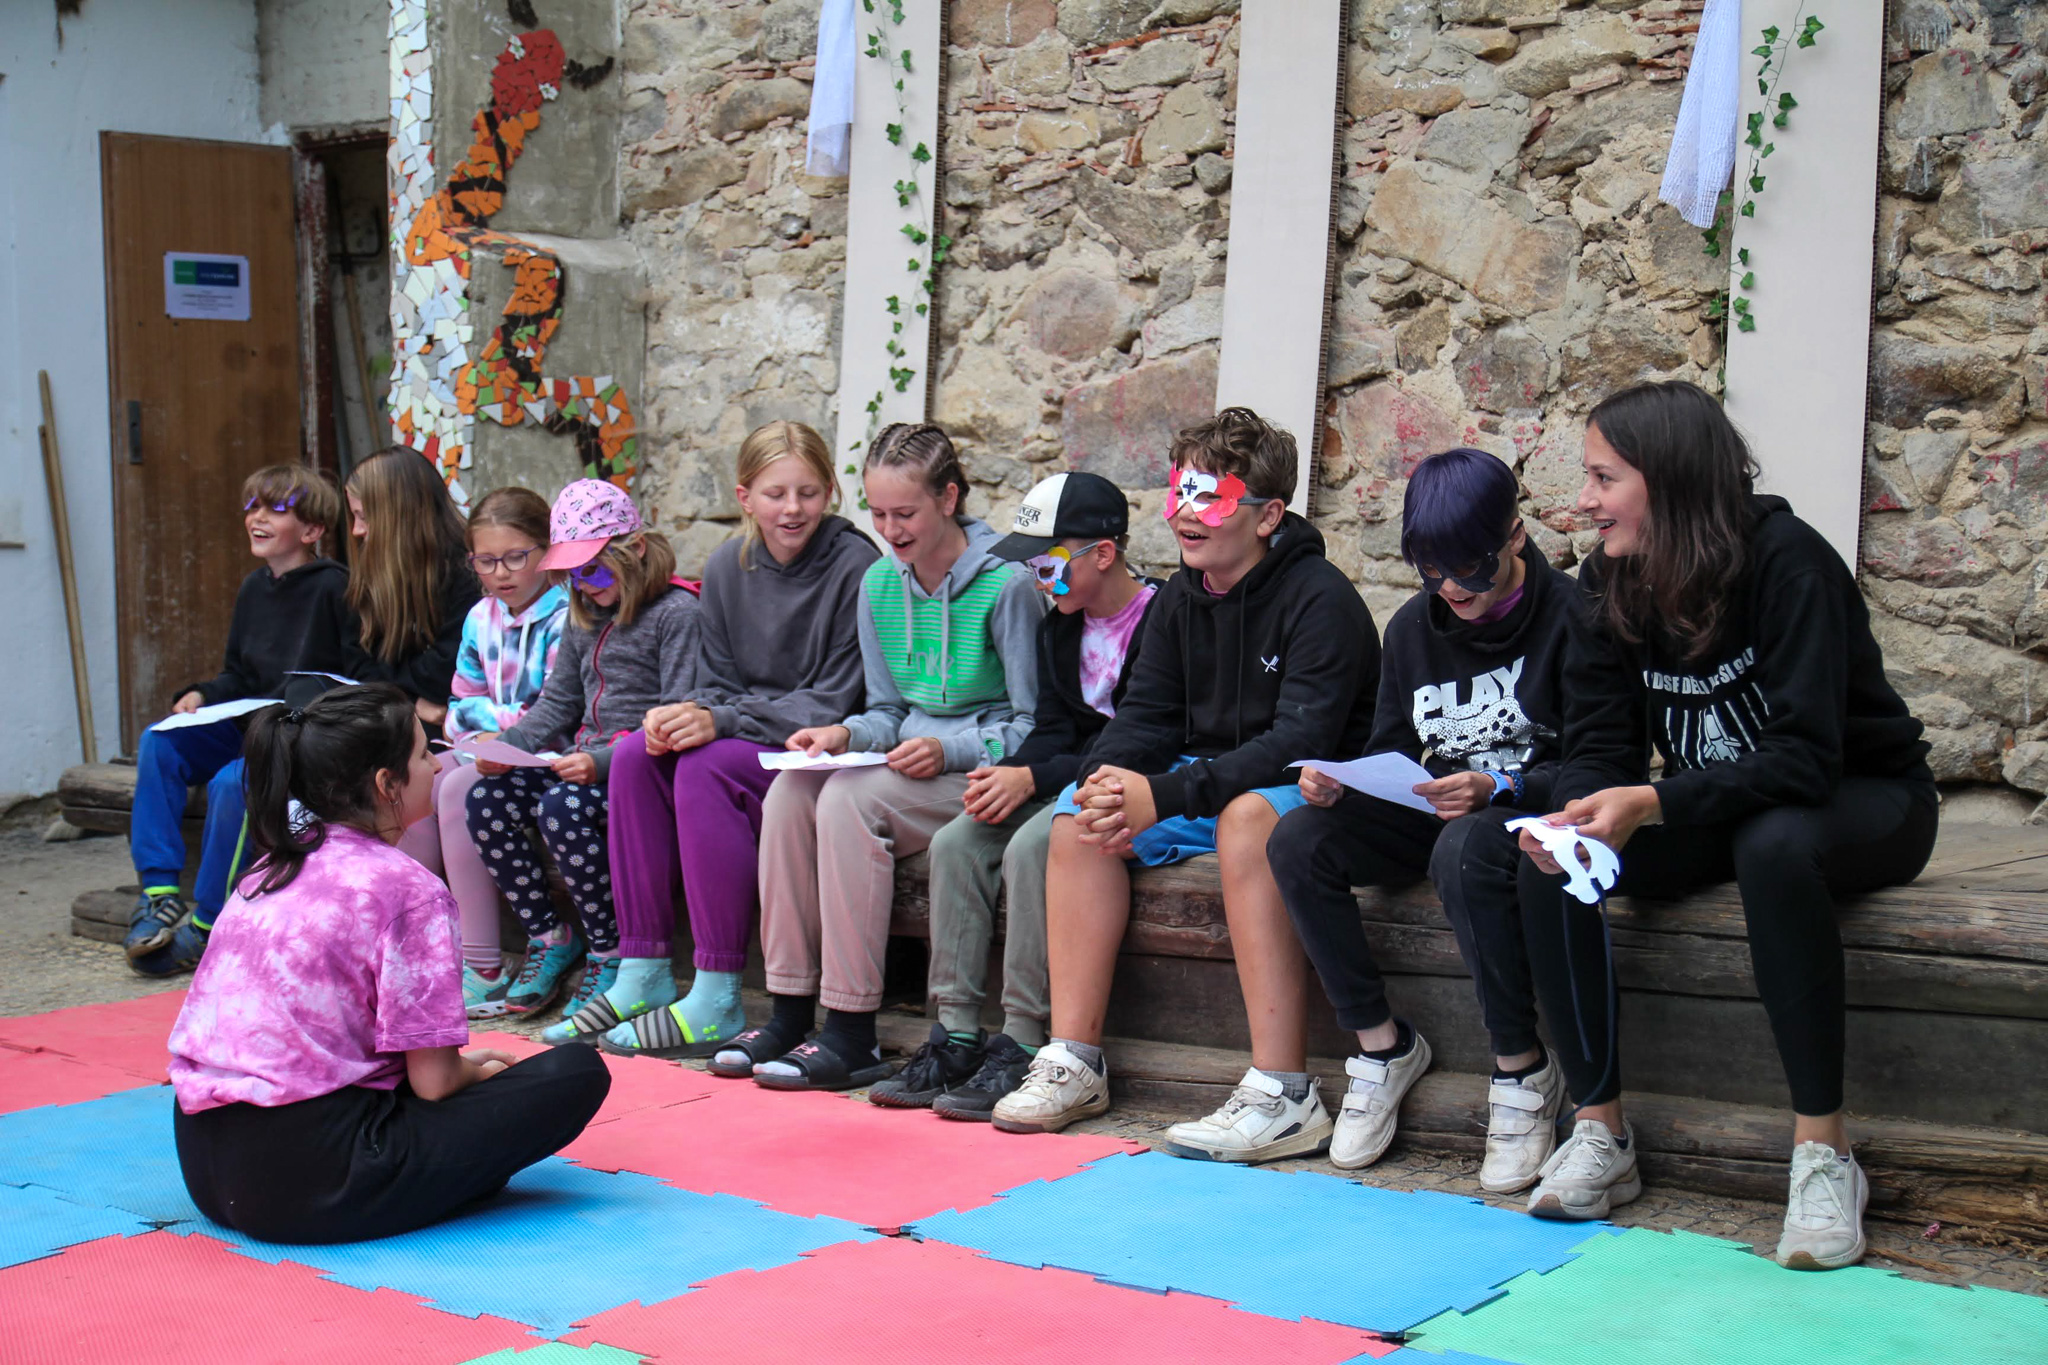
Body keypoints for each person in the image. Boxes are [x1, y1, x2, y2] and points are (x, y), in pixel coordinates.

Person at [1508, 381, 1935, 1271]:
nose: (1583, 500)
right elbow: (1601, 741)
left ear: (1668, 479)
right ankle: (1600, 1128)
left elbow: (1806, 759)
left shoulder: (1789, 563)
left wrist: (1653, 802)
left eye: (1603, 478)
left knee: (1773, 844)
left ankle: (1825, 1152)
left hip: (1866, 797)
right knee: (1551, 854)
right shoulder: (1612, 577)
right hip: (1722, 802)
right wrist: (1579, 811)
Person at [992, 408, 1380, 1144]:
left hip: (1306, 792)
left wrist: (1166, 794)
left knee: (1247, 820)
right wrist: (1108, 778)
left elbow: (1299, 743)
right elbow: (1146, 716)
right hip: (1205, 784)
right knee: (1078, 815)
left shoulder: (1322, 599)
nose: (1185, 513)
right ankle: (1075, 1059)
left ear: (1268, 515)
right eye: (1179, 492)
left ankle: (1284, 1092)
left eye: (1211, 497)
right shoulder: (1179, 597)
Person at [167, 684, 610, 1245]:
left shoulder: (269, 869)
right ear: (386, 784)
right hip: (311, 1180)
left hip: (204, 1165)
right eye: (424, 755)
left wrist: (457, 1069)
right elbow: (436, 1084)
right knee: (575, 1073)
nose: (437, 766)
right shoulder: (408, 889)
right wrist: (479, 1075)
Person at [1265, 448, 1575, 1181]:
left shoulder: (1571, 615)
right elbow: (1393, 750)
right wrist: (1344, 785)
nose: (1452, 589)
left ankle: (1522, 1067)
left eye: (1470, 568)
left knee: (1462, 848)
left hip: (1526, 816)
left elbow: (1598, 764)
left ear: (1515, 536)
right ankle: (1383, 1045)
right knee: (1298, 837)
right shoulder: (1412, 627)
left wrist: (1500, 785)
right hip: (1436, 808)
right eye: (1431, 572)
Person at [737, 422, 1043, 1091]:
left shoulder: (1008, 586)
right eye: (877, 513)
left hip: (980, 771)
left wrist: (946, 747)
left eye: (904, 513)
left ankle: (851, 1029)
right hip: (908, 764)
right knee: (789, 793)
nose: (889, 529)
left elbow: (1033, 724)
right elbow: (886, 711)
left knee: (849, 801)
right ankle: (789, 1008)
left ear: (948, 498)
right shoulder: (878, 584)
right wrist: (843, 735)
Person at [574, 422, 877, 1057]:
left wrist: (723, 721)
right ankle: (644, 968)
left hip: (816, 749)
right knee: (634, 755)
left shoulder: (857, 566)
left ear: (830, 491)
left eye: (807, 492)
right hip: (743, 735)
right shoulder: (725, 566)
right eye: (775, 494)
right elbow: (714, 684)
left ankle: (717, 990)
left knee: (704, 766)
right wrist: (683, 715)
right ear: (745, 497)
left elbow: (834, 697)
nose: (792, 509)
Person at [870, 470, 1164, 1118]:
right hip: (1066, 776)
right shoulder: (1061, 626)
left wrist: (1032, 779)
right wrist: (1009, 774)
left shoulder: (1162, 621)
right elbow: (1053, 726)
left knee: (1036, 845)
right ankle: (956, 1033)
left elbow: (1145, 741)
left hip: (1125, 787)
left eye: (1048, 564)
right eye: (1031, 566)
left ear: (1103, 554)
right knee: (958, 841)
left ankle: (1024, 1038)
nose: (1038, 578)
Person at [465, 480, 700, 1036]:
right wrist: (509, 748)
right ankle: (550, 936)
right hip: (585, 763)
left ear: (634, 550)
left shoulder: (676, 613)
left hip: (645, 771)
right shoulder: (584, 614)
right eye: (570, 574)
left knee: (562, 808)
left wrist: (603, 762)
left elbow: (678, 711)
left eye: (593, 570)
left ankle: (609, 950)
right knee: (487, 799)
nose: (583, 585)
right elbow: (558, 704)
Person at [124, 464, 350, 979]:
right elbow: (240, 676)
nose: (257, 517)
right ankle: (158, 893)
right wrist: (203, 693)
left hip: (297, 734)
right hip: (246, 721)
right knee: (159, 741)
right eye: (253, 507)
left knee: (234, 782)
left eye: (276, 509)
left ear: (312, 530)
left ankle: (209, 924)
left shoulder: (334, 588)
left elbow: (350, 679)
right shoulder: (253, 588)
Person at [399, 488, 570, 1019]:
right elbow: (458, 704)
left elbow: (553, 711)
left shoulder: (566, 617)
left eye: (516, 557)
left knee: (455, 787)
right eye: (486, 561)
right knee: (421, 780)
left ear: (547, 551)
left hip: (548, 756)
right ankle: (412, 946)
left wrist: (490, 726)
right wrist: (483, 727)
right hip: (483, 749)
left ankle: (483, 966)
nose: (501, 573)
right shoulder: (480, 618)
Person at [339, 447, 482, 738]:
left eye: (363, 517)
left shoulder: (468, 571)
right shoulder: (372, 573)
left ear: (396, 516)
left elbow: (447, 668)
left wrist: (396, 687)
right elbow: (358, 665)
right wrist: (412, 700)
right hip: (403, 713)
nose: (356, 530)